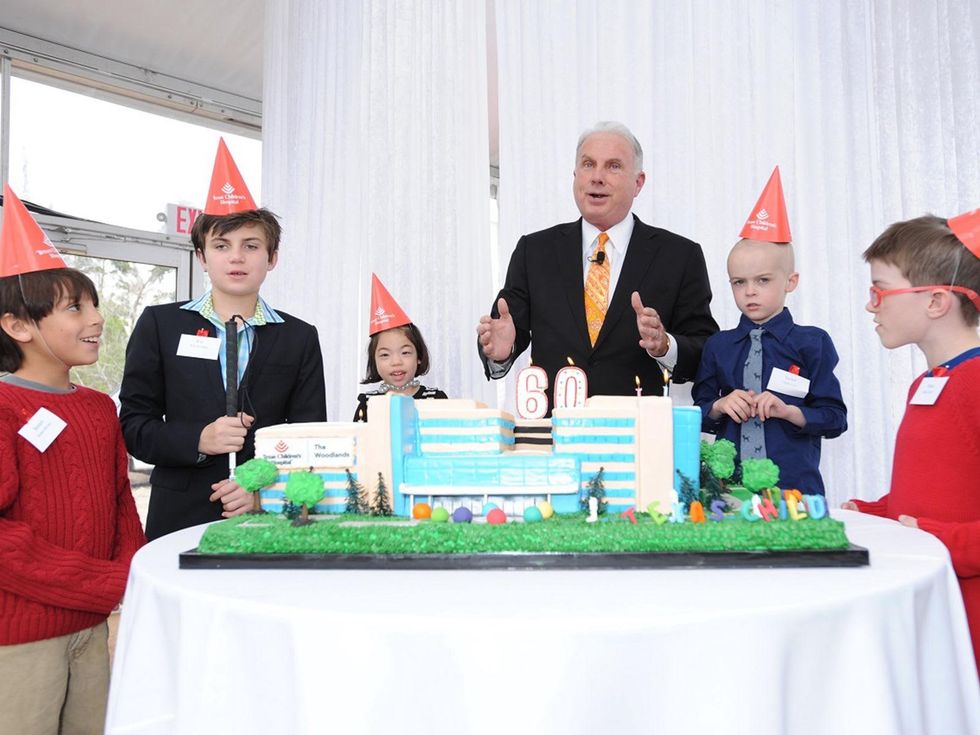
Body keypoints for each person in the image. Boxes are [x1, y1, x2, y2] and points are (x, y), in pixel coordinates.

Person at [120, 139, 326, 540]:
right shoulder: (160, 325)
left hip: (267, 518)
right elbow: (134, 426)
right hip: (178, 515)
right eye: (221, 245)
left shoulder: (298, 337)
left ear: (272, 258)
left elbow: (308, 436)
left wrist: (266, 493)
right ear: (201, 256)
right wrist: (199, 439)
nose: (236, 257)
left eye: (251, 246)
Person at [0, 185, 145, 733]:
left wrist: (130, 576)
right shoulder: (4, 406)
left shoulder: (99, 407)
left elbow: (119, 502)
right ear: (18, 326)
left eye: (94, 304)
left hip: (93, 625)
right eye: (75, 308)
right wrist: (106, 582)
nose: (97, 318)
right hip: (20, 636)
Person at [477, 121, 717, 405]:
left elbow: (705, 349)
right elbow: (504, 329)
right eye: (588, 164)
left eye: (613, 166)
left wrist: (665, 345)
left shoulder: (679, 256)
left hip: (639, 427)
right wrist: (501, 351)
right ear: (575, 175)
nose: (597, 177)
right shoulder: (534, 251)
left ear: (638, 182)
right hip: (555, 426)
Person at [842, 210, 980, 672]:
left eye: (879, 291)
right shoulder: (927, 383)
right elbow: (941, 492)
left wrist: (932, 541)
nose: (871, 306)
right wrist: (875, 512)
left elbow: (940, 526)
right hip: (934, 610)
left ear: (936, 301)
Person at [693, 168, 846, 495]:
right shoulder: (718, 346)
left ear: (791, 281)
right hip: (729, 491)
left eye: (763, 280)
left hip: (795, 490)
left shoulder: (813, 342)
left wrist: (790, 412)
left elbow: (835, 418)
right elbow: (698, 414)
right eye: (739, 282)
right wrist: (720, 405)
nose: (750, 291)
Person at [354, 274, 446, 421]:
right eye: (385, 355)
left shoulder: (435, 400)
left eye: (405, 352)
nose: (396, 362)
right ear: (374, 360)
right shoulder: (368, 404)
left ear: (419, 356)